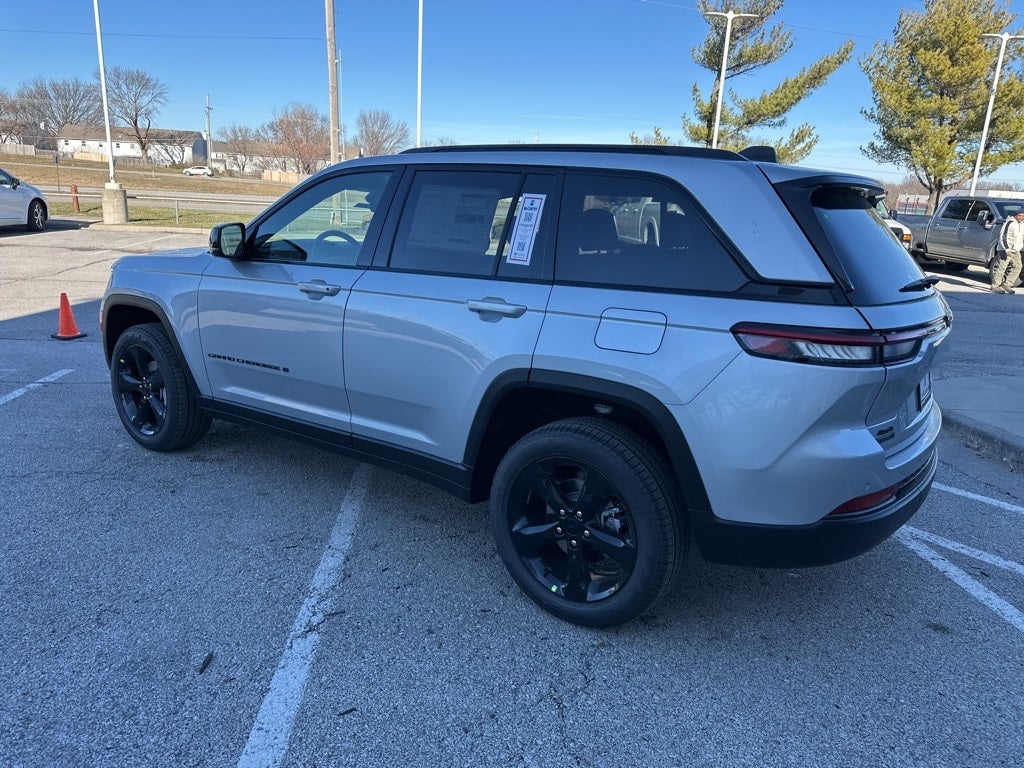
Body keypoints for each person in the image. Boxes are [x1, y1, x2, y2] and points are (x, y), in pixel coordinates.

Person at [992, 210, 1024, 294]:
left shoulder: (1022, 224)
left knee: (1018, 266)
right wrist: (1007, 249)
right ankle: (995, 286)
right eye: (1020, 215)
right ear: (1016, 215)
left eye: (1023, 216)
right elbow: (1003, 237)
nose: (1022, 217)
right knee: (1002, 267)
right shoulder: (1009, 223)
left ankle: (1007, 284)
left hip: (1015, 250)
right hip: (1005, 249)